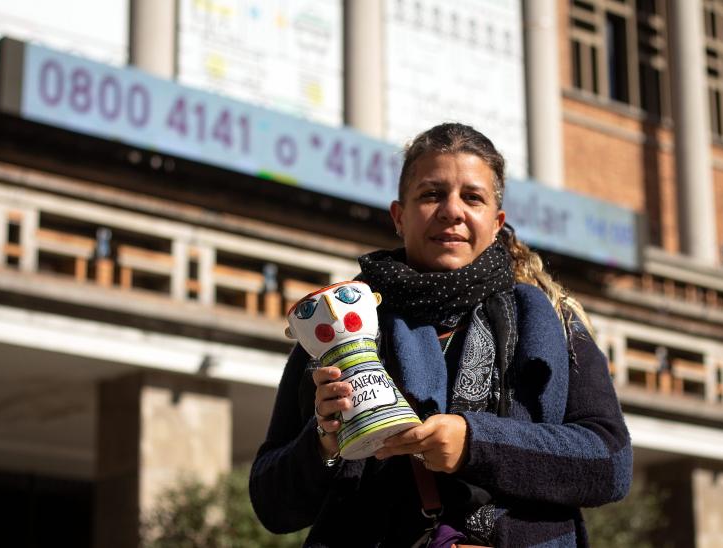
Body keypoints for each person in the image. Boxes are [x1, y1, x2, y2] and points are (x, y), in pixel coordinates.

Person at [250, 123, 632, 547]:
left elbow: (611, 462)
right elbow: (271, 503)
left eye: (472, 197)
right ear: (399, 216)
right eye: (431, 194)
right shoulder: (336, 326)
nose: (452, 211)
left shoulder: (551, 322)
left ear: (496, 220)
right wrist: (323, 441)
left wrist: (475, 442)